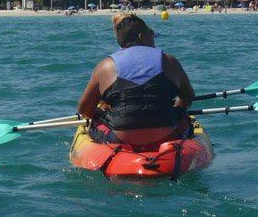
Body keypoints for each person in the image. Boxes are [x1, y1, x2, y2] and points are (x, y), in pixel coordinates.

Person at [76, 12, 194, 147]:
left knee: (94, 122)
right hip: (167, 136)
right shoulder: (169, 61)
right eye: (152, 36)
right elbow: (187, 98)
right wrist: (174, 110)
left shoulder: (105, 66)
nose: (154, 41)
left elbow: (84, 110)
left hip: (120, 139)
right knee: (184, 118)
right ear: (142, 37)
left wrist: (101, 113)